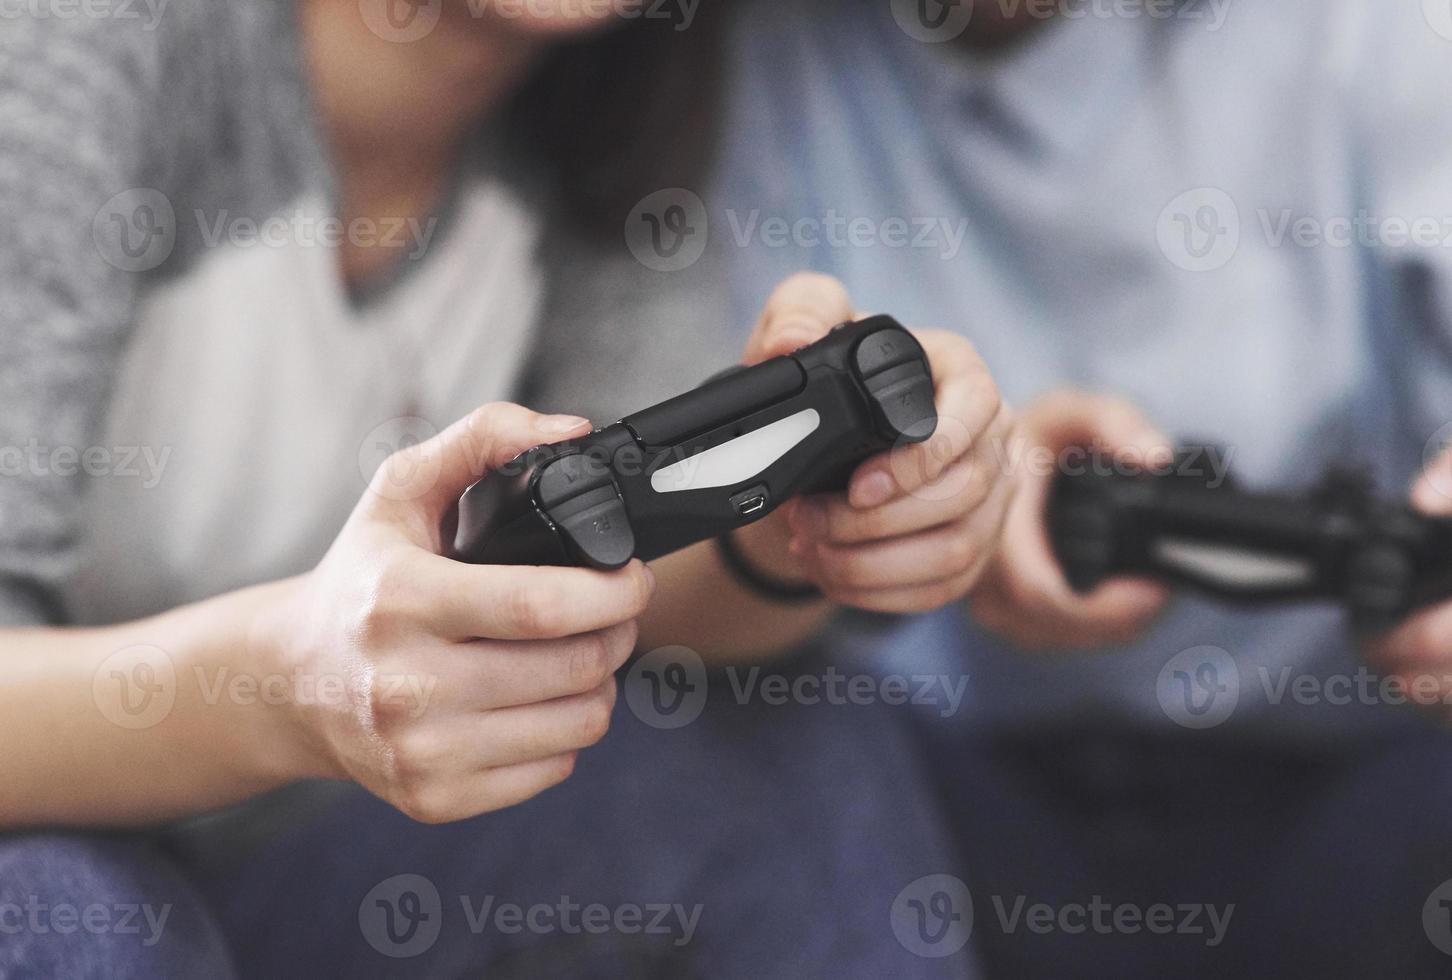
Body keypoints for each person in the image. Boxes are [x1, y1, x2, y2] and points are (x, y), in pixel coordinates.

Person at [0, 0, 1016, 975]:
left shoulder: (598, 120)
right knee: (76, 917)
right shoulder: (92, 43)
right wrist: (284, 686)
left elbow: (650, 585)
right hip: (56, 837)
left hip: (308, 855)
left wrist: (797, 527)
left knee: (802, 750)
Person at [704, 0, 1452, 976]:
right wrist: (909, 522)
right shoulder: (731, 70)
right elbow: (702, 565)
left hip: (1361, 779)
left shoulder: (1386, 38)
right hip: (938, 788)